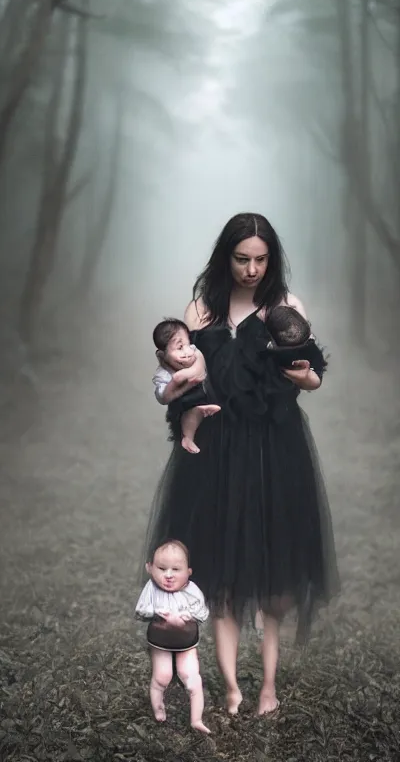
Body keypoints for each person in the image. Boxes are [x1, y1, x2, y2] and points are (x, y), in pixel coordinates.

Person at [143, 212, 339, 717]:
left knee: (273, 577)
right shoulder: (201, 310)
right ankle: (231, 688)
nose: (251, 269)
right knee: (220, 572)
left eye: (260, 259)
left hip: (274, 449)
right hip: (215, 452)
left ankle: (268, 686)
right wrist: (178, 390)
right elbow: (174, 378)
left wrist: (301, 375)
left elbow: (313, 375)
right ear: (225, 257)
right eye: (241, 259)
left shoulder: (285, 307)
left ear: (271, 260)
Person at [135, 540, 211, 733]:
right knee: (162, 676)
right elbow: (141, 610)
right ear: (149, 568)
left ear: (188, 572)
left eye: (176, 569)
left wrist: (188, 617)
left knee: (192, 678)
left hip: (186, 642)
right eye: (162, 568)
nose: (168, 575)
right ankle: (158, 709)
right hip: (160, 641)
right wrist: (158, 613)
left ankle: (196, 719)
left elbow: (203, 613)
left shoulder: (192, 590)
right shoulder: (151, 588)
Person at [152, 318, 220, 453]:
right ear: (162, 355)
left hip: (203, 394)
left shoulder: (193, 351)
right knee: (189, 415)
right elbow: (162, 398)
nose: (187, 351)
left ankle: (204, 410)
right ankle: (188, 438)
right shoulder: (163, 374)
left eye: (188, 344)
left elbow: (199, 358)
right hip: (183, 406)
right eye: (179, 347)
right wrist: (174, 385)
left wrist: (190, 372)